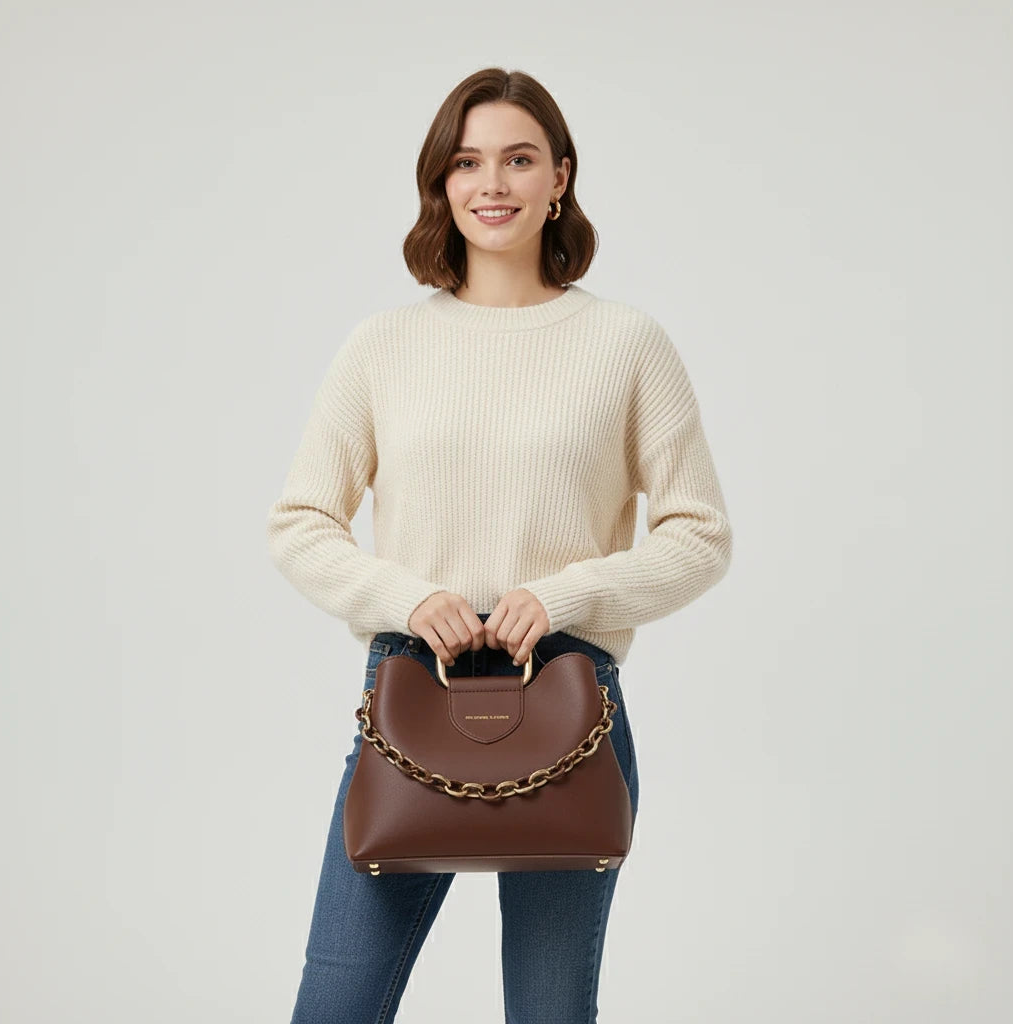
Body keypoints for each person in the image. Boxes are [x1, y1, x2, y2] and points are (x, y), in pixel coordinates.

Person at [266, 66, 733, 1024]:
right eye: (467, 162)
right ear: (440, 182)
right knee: (336, 1001)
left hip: (568, 697)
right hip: (413, 685)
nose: (492, 184)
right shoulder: (383, 346)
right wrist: (407, 597)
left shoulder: (627, 343)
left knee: (550, 1012)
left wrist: (564, 595)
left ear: (559, 176)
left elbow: (700, 535)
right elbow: (301, 521)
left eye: (519, 159)